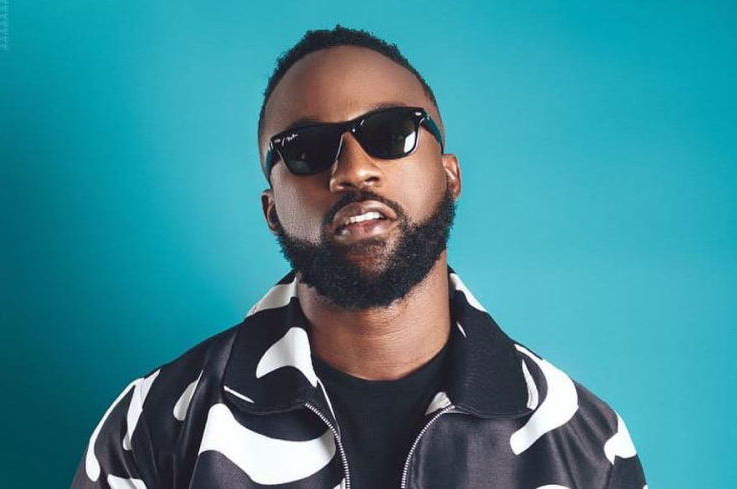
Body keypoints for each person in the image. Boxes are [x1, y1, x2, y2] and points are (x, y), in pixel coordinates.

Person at [71, 25, 648, 489]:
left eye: (391, 131)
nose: (352, 170)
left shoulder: (581, 442)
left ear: (450, 175)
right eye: (307, 149)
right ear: (271, 210)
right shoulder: (156, 425)